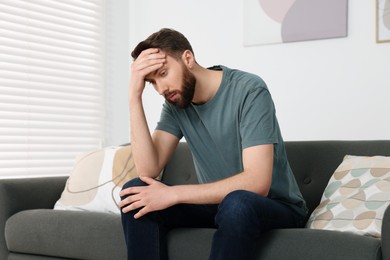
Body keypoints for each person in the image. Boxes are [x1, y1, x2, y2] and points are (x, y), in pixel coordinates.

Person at [119, 28, 308, 260]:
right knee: (136, 192)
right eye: (152, 82)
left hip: (275, 206)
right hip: (219, 206)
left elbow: (258, 183)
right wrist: (133, 96)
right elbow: (149, 170)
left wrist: (175, 193)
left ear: (188, 58)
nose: (161, 89)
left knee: (237, 202)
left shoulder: (249, 90)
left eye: (163, 73)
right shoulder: (175, 103)